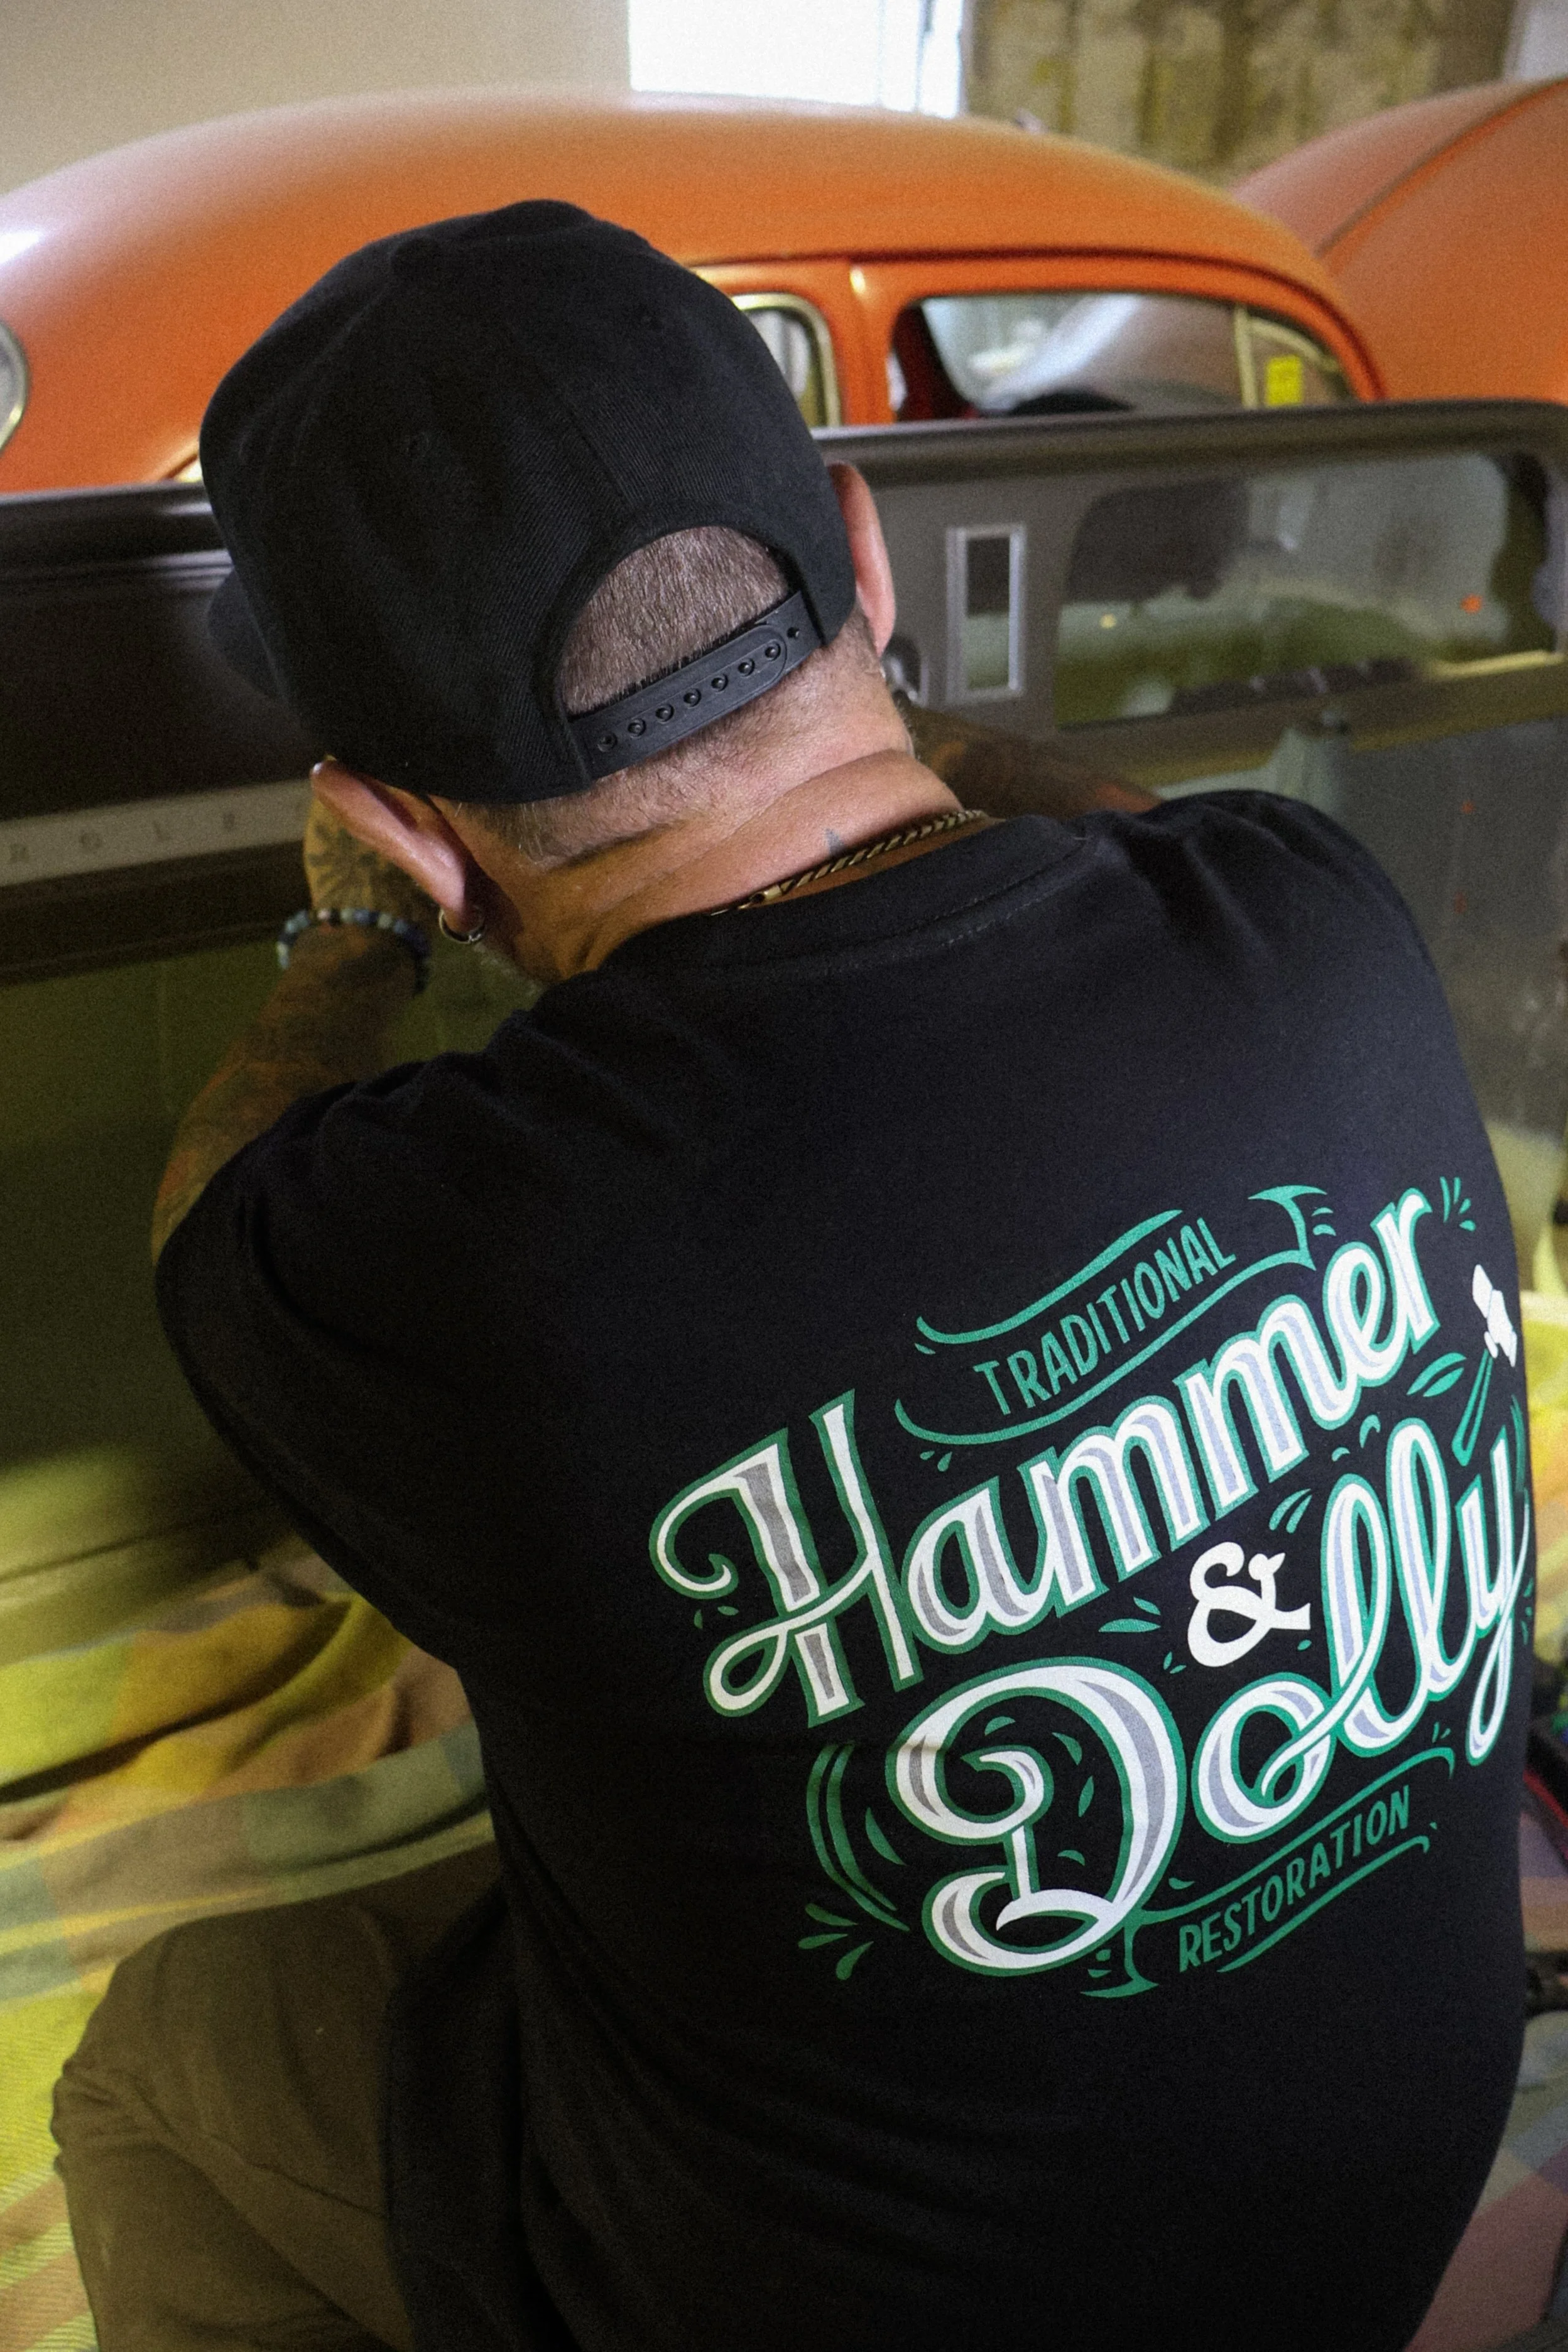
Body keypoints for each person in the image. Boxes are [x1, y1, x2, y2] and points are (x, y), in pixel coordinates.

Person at [52, 200, 1532, 2352]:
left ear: (398, 817)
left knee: (168, 2061)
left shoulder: (464, 1263)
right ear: (863, 556)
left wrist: (346, 936)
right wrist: (874, 722)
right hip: (1375, 2207)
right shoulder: (1316, 924)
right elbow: (1116, 827)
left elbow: (217, 1210)